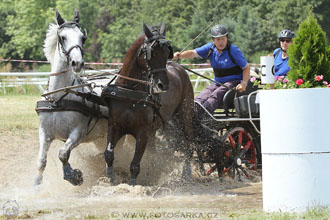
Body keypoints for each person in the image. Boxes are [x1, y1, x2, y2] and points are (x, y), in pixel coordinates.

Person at [172, 24, 250, 114]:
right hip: (217, 82)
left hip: (233, 82)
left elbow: (246, 68)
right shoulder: (210, 48)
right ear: (213, 40)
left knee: (216, 94)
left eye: (223, 38)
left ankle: (204, 116)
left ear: (227, 38)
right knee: (202, 95)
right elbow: (192, 53)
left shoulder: (233, 50)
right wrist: (180, 55)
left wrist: (244, 83)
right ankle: (192, 113)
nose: (221, 42)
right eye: (218, 39)